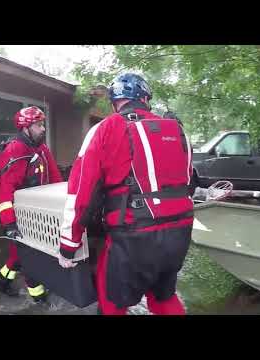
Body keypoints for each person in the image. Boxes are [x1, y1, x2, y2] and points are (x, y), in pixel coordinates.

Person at [58, 73, 194, 315]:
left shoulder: (106, 128)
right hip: (180, 232)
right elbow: (189, 182)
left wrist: (69, 243)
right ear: (145, 99)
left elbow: (81, 191)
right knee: (164, 297)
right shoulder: (178, 130)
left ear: (114, 103)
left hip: (133, 236)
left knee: (111, 301)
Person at [0, 106, 63, 303]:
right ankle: (39, 296)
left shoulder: (41, 148)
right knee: (30, 256)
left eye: (43, 125)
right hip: (19, 215)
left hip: (38, 212)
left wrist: (62, 204)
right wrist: (9, 225)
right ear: (26, 128)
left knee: (17, 255)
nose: (43, 129)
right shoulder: (16, 149)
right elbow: (5, 190)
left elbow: (55, 176)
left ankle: (1, 282)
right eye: (39, 125)